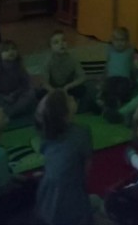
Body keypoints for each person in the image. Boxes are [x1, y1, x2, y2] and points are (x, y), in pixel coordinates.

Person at [35, 89, 104, 225]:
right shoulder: (82, 131)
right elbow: (86, 166)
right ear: (64, 114)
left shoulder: (46, 132)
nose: (72, 97)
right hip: (73, 200)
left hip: (46, 201)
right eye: (69, 98)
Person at [0, 40, 36, 119]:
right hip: (1, 98)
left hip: (17, 97)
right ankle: (14, 111)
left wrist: (15, 94)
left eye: (13, 49)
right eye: (6, 50)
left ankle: (9, 112)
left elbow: (26, 85)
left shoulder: (20, 67)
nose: (11, 52)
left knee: (31, 93)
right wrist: (4, 97)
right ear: (0, 54)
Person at [40, 30, 87, 105]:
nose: (61, 44)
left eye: (63, 40)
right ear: (50, 47)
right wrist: (53, 91)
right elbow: (44, 82)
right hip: (53, 90)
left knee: (83, 89)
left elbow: (82, 77)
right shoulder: (48, 61)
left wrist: (68, 86)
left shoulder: (72, 58)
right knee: (40, 93)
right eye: (56, 42)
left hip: (68, 89)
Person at [100, 27, 135, 120]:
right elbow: (107, 65)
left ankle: (116, 105)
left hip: (124, 79)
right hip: (111, 78)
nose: (119, 43)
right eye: (116, 40)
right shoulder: (110, 51)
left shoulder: (129, 52)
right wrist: (102, 78)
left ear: (127, 42)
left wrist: (134, 79)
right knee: (109, 88)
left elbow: (132, 67)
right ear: (112, 41)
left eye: (122, 40)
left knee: (122, 88)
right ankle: (109, 106)